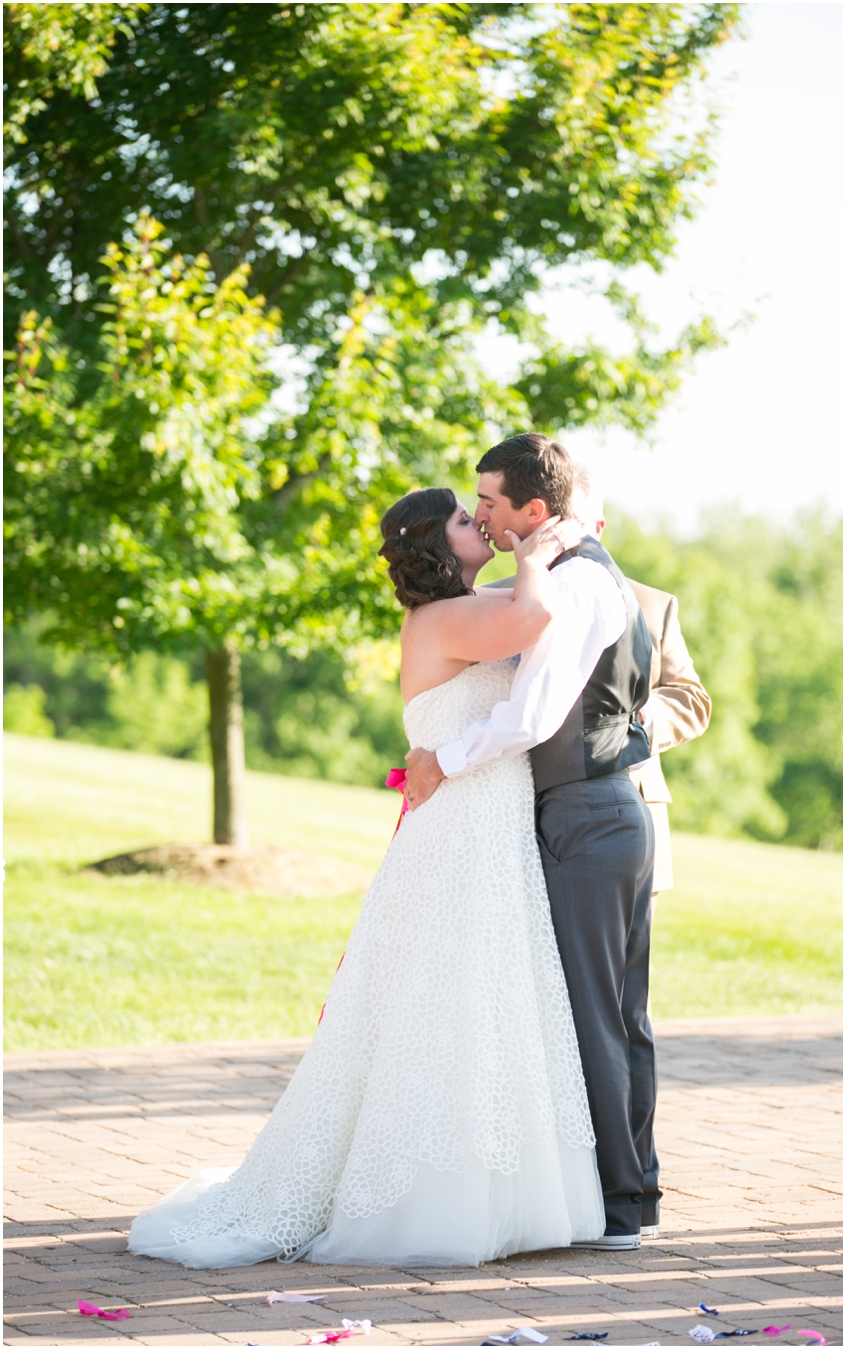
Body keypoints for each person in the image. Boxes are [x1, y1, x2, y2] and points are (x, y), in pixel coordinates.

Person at [128, 486, 605, 1269]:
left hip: (481, 826)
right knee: (450, 998)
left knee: (478, 996)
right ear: (437, 546)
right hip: (462, 830)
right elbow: (533, 620)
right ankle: (432, 1197)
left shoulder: (458, 608)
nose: (479, 522)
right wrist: (546, 547)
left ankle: (489, 1187)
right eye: (463, 518)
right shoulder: (451, 618)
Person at [405, 433, 659, 1249]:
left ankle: (620, 1205)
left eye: (489, 503)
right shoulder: (579, 575)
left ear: (534, 511)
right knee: (620, 1013)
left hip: (587, 814)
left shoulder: (572, 586)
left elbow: (532, 716)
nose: (482, 514)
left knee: (596, 1014)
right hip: (604, 811)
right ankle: (634, 1193)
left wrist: (439, 760)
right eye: (470, 509)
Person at [569, 465, 712, 908]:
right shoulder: (504, 597)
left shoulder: (653, 606)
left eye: (576, 522)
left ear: (598, 527)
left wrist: (643, 717)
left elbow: (692, 699)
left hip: (632, 804)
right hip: (539, 810)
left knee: (626, 972)